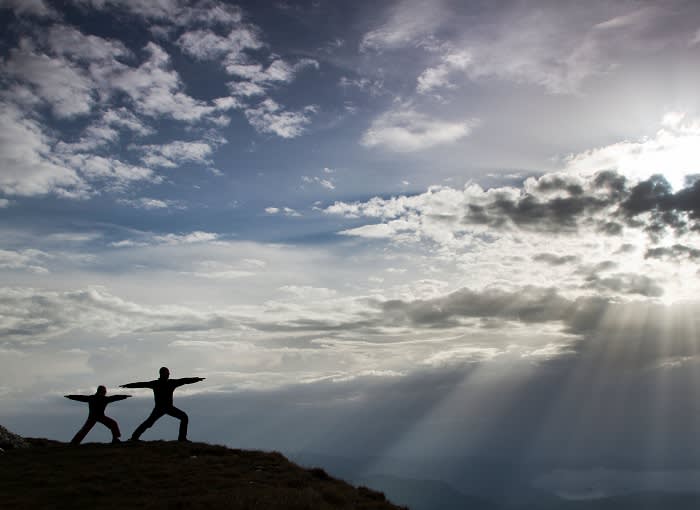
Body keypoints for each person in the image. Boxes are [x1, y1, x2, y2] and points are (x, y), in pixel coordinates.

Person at [121, 367, 205, 442]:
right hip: (160, 408)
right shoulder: (156, 383)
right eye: (167, 373)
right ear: (162, 374)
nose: (168, 375)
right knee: (149, 423)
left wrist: (196, 379)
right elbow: (141, 384)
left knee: (184, 417)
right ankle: (134, 438)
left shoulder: (170, 382)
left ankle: (182, 438)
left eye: (168, 373)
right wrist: (128, 386)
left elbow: (184, 380)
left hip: (167, 408)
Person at [65, 385, 131, 444]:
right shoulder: (101, 399)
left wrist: (124, 396)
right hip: (95, 417)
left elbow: (115, 397)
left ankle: (115, 439)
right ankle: (74, 442)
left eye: (105, 391)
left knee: (112, 424)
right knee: (85, 429)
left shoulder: (94, 398)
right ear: (100, 391)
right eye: (104, 391)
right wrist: (124, 396)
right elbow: (80, 397)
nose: (105, 392)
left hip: (96, 417)